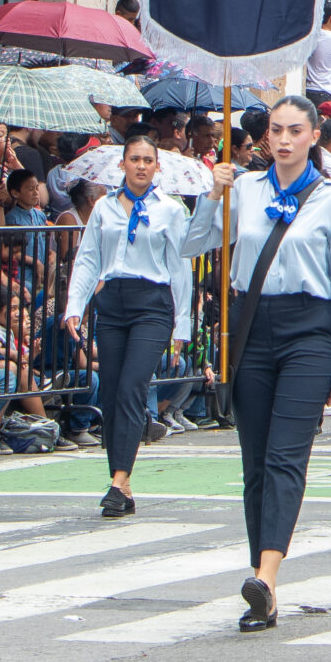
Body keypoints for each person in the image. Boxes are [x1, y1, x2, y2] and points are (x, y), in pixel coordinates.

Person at [187, 96, 331, 632]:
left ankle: (266, 576)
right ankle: (260, 578)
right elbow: (193, 243)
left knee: (287, 455)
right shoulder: (242, 188)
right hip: (252, 325)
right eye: (276, 131)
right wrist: (211, 194)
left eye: (294, 131)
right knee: (255, 463)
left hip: (310, 328)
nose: (283, 140)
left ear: (314, 137)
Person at [62, 134, 218, 518]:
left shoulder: (170, 210)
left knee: (133, 386)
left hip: (153, 303)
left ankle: (118, 480)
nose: (142, 166)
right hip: (113, 300)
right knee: (113, 391)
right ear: (123, 164)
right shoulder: (103, 208)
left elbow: (181, 267)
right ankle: (122, 483)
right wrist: (74, 306)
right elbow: (87, 259)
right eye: (135, 159)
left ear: (157, 166)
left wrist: (182, 326)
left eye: (148, 160)